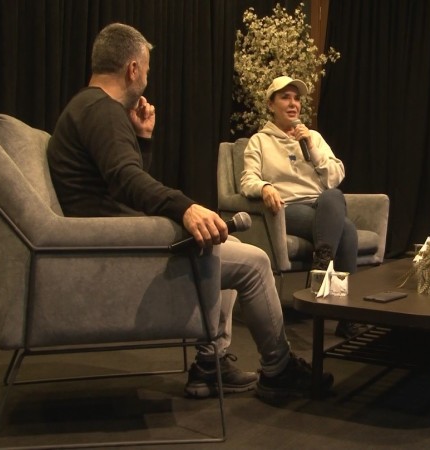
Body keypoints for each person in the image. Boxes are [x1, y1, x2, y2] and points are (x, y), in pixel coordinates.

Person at [47, 23, 332, 400]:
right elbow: (126, 181)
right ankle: (278, 369)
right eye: (146, 70)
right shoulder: (103, 111)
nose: (146, 79)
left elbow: (119, 184)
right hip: (121, 250)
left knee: (223, 241)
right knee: (255, 262)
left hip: (116, 237)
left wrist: (143, 140)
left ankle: (211, 364)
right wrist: (184, 208)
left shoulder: (87, 107)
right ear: (132, 68)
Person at [240, 76, 364, 339]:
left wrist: (312, 148)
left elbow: (335, 176)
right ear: (271, 104)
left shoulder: (313, 137)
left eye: (296, 98)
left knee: (333, 196)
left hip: (321, 205)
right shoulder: (259, 141)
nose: (293, 103)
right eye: (285, 97)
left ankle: (322, 262)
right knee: (347, 230)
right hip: (288, 207)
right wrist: (264, 187)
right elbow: (247, 180)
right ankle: (346, 317)